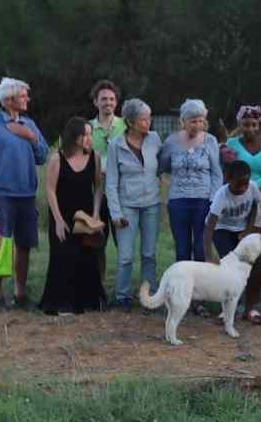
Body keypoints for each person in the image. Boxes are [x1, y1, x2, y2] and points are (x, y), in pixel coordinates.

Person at [0, 77, 49, 311]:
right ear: (9, 99)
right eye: (23, 95)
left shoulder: (30, 124)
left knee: (24, 244)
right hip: (1, 196)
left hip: (27, 194)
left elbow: (43, 156)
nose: (28, 98)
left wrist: (30, 136)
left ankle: (20, 294)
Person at [40, 117, 107, 315]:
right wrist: (58, 221)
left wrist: (95, 213)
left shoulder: (94, 157)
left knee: (86, 256)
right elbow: (50, 190)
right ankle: (62, 303)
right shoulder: (57, 158)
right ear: (74, 136)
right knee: (63, 256)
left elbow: (98, 188)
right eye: (84, 134)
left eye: (90, 134)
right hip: (62, 214)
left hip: (85, 215)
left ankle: (87, 301)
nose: (89, 138)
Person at [106, 98, 162, 311]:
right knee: (126, 256)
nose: (148, 122)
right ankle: (121, 296)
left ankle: (149, 296)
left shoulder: (155, 139)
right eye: (143, 119)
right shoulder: (115, 145)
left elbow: (164, 162)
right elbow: (110, 183)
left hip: (152, 205)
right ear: (130, 122)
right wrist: (115, 213)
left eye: (149, 118)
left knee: (149, 254)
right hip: (127, 206)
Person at [226, 105, 261, 308]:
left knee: (258, 249)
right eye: (246, 124)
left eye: (254, 125)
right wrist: (241, 187)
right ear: (240, 124)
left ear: (260, 124)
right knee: (237, 248)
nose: (250, 128)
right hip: (236, 198)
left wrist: (252, 186)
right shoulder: (232, 143)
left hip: (260, 198)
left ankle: (253, 299)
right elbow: (228, 169)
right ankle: (233, 296)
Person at [158, 99, 223, 263]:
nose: (197, 125)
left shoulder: (210, 141)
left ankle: (200, 287)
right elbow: (162, 166)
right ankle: (182, 286)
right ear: (183, 121)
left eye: (201, 121)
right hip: (178, 202)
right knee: (182, 249)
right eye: (193, 121)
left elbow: (216, 173)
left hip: (203, 201)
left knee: (201, 248)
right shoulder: (171, 142)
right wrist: (166, 181)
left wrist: (214, 200)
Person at [203, 159, 261, 324]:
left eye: (245, 184)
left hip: (242, 229)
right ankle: (229, 311)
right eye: (238, 185)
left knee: (256, 266)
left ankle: (251, 307)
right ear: (227, 179)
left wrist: (248, 230)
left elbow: (254, 206)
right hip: (221, 230)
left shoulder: (252, 187)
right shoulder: (221, 195)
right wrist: (209, 256)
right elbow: (209, 228)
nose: (243, 188)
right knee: (230, 269)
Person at [89, 79, 126, 286]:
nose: (108, 103)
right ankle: (99, 287)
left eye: (112, 99)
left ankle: (122, 289)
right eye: (103, 99)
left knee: (123, 244)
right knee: (97, 244)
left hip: (121, 195)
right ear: (96, 102)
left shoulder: (125, 125)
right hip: (95, 194)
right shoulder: (88, 128)